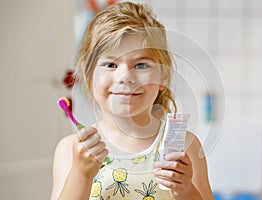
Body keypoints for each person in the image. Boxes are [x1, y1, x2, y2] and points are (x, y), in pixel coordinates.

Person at [50, 1, 214, 200]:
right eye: (110, 64)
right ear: (87, 73)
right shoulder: (71, 149)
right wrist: (81, 174)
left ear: (164, 75)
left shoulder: (186, 146)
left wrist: (186, 190)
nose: (125, 77)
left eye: (141, 65)